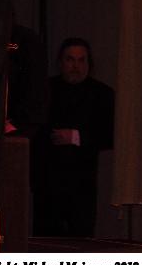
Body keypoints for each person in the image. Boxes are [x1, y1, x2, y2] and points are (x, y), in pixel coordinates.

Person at [32, 37, 115, 237]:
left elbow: (109, 135)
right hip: (47, 185)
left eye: (81, 60)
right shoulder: (44, 90)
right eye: (70, 59)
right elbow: (33, 129)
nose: (75, 66)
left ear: (89, 63)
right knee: (46, 242)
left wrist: (76, 137)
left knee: (80, 241)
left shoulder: (102, 94)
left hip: (82, 185)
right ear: (60, 62)